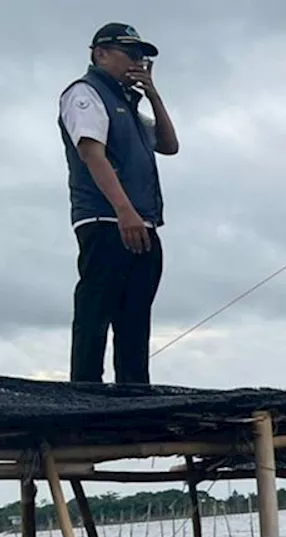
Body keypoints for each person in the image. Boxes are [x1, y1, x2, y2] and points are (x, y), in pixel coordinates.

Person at [59, 23, 179, 384]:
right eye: (131, 54)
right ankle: (85, 397)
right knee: (95, 315)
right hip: (105, 220)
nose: (138, 62)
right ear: (101, 53)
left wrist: (153, 94)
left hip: (143, 222)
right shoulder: (86, 93)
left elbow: (169, 144)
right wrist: (124, 210)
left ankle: (134, 395)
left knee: (135, 319)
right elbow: (91, 152)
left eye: (142, 57)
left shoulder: (129, 104)